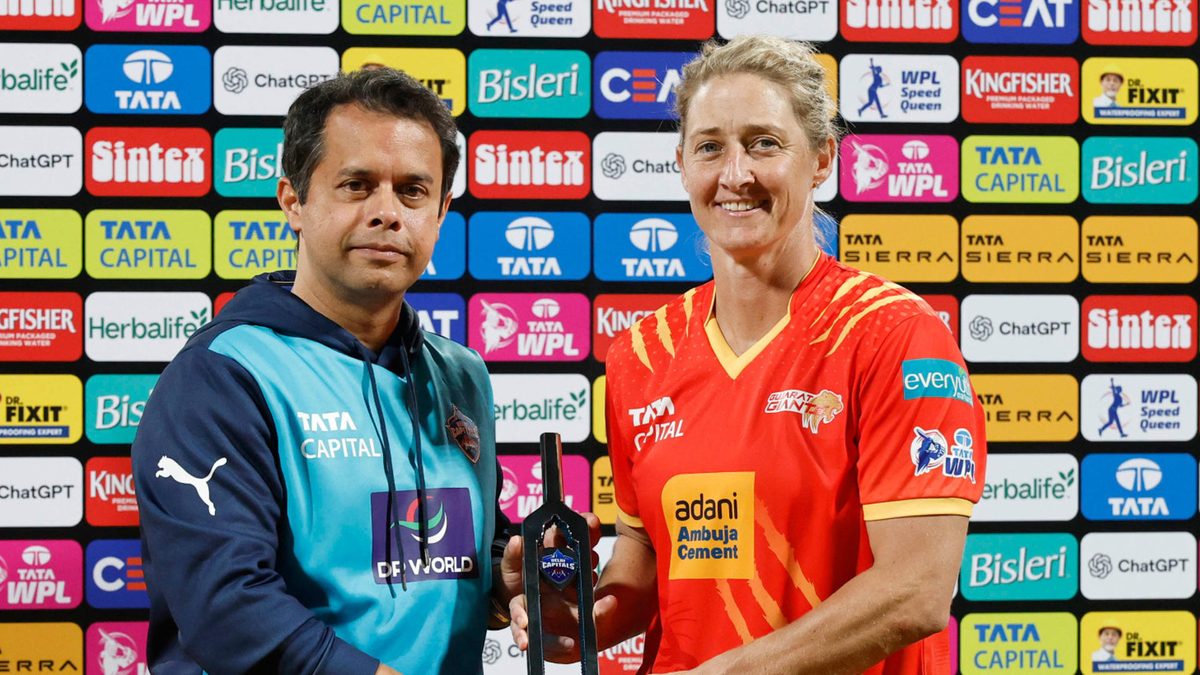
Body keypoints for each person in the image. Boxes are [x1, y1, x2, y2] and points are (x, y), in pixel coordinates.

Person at [510, 35, 986, 674]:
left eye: (764, 143)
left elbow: (916, 591)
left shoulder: (893, 335)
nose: (735, 175)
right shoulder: (640, 354)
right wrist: (578, 618)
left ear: (821, 159)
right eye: (710, 147)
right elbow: (644, 559)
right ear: (682, 164)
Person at [132, 68, 522, 674]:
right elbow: (228, 609)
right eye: (356, 185)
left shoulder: (461, 373)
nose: (387, 212)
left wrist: (509, 578)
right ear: (294, 201)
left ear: (442, 211)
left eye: (413, 191)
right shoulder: (223, 375)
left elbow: (466, 549)